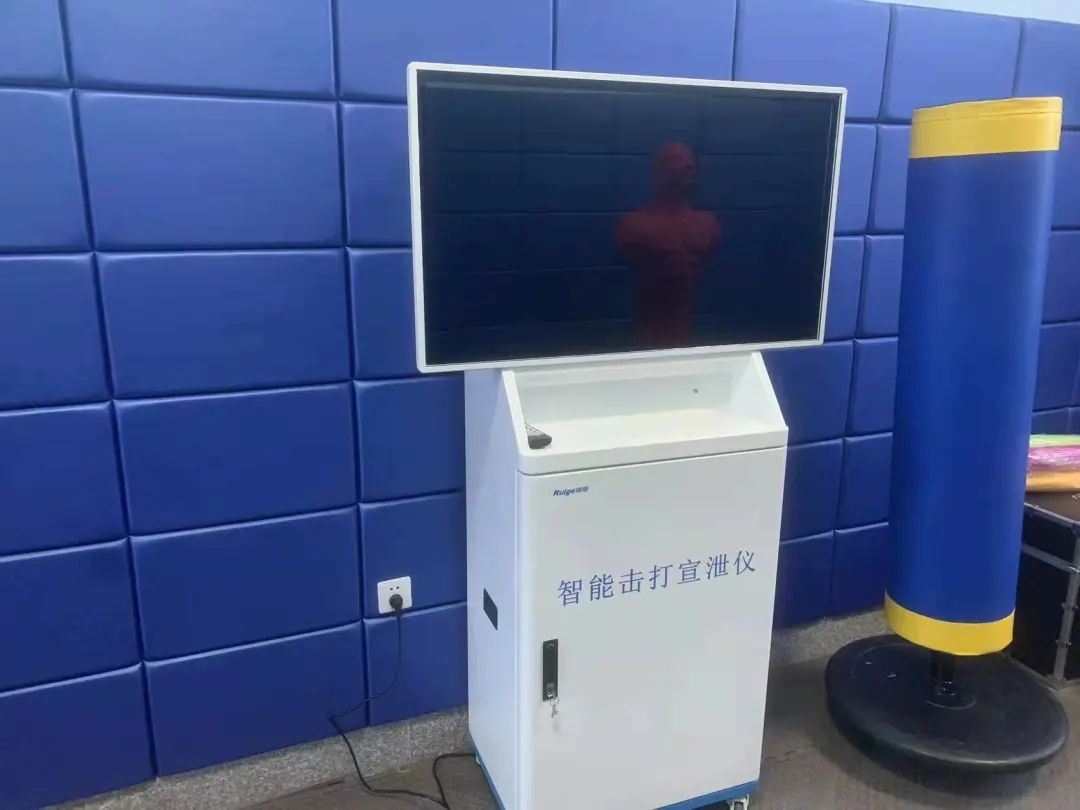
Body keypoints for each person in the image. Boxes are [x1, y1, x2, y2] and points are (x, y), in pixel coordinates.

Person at [616, 141, 720, 348]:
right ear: (658, 173)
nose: (686, 166)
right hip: (647, 333)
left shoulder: (708, 224)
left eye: (689, 161)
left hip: (697, 333)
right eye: (675, 159)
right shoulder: (634, 225)